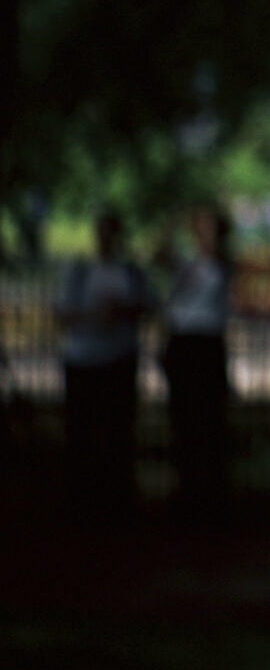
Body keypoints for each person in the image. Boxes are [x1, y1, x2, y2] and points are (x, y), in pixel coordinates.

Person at [56, 209, 155, 523]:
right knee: (83, 434)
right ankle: (84, 499)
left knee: (117, 433)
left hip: (118, 359)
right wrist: (93, 317)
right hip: (85, 360)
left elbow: (149, 305)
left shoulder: (130, 271)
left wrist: (121, 312)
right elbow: (61, 313)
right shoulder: (80, 270)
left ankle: (115, 499)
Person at [160, 204, 233, 518]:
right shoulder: (191, 262)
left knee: (208, 421)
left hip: (204, 344)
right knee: (184, 420)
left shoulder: (216, 265)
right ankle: (189, 491)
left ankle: (210, 495)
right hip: (184, 344)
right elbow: (160, 255)